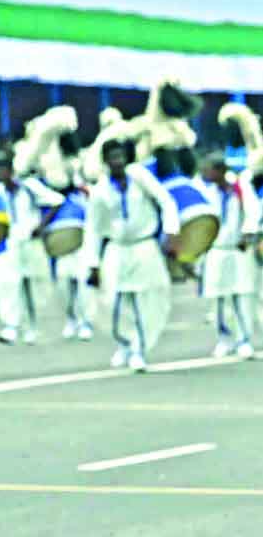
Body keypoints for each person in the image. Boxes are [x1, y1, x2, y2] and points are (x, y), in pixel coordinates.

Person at [87, 133, 179, 373]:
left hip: (144, 246)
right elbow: (93, 229)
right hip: (117, 249)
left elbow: (166, 201)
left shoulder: (140, 177)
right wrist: (92, 263)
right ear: (105, 161)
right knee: (113, 301)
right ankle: (124, 342)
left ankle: (139, 349)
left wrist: (171, 232)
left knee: (145, 298)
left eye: (119, 156)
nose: (116, 161)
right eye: (111, 157)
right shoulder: (99, 190)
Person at [0, 150, 65, 346]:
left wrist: (41, 225)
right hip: (9, 244)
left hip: (30, 241)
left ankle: (32, 327)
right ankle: (10, 326)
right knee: (9, 284)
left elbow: (57, 201)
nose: (1, 173)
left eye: (4, 168)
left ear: (11, 169)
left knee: (33, 285)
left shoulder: (29, 186)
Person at [200, 153, 258, 358]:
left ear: (221, 170)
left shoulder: (239, 188)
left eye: (209, 170)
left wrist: (247, 232)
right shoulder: (207, 191)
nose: (206, 173)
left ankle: (243, 339)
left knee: (241, 295)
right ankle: (224, 338)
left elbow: (253, 211)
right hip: (216, 250)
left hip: (237, 249)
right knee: (218, 297)